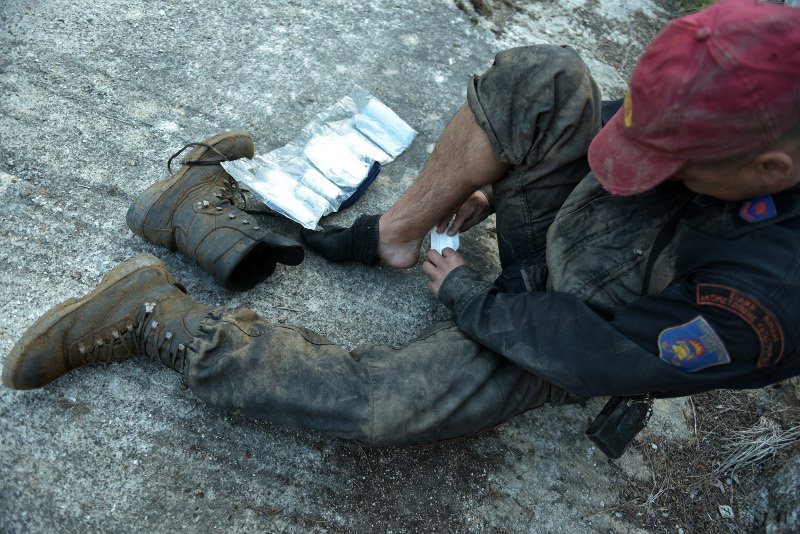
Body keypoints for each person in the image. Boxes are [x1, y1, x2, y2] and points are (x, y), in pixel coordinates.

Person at [4, 0, 800, 447]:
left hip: (588, 328)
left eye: (668, 160)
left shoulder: (772, 294)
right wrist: (497, 192)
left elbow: (602, 352)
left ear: (772, 173)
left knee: (380, 405)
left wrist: (467, 296)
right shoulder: (760, 83)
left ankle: (156, 316)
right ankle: (385, 234)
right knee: (542, 78)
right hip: (600, 246)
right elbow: (608, 128)